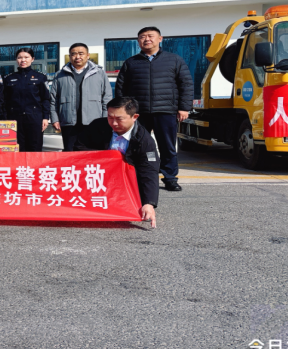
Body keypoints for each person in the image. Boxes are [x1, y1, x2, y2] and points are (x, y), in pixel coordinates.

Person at [115, 26, 193, 192]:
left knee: (167, 146)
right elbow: (121, 88)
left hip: (165, 111)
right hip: (138, 112)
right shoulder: (131, 62)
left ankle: (170, 178)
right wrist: (123, 110)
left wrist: (184, 107)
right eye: (142, 37)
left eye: (150, 36)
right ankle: (136, 176)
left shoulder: (174, 60)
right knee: (137, 145)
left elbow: (186, 84)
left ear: (160, 39)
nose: (147, 39)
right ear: (138, 41)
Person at [74, 97, 158, 228]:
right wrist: (106, 159)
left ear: (134, 117)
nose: (114, 123)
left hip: (126, 182)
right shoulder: (98, 126)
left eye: (119, 119)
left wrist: (149, 203)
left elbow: (149, 171)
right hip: (97, 176)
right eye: (110, 117)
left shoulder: (144, 140)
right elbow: (79, 148)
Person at [50, 43, 112, 152]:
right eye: (73, 54)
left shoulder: (99, 73)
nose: (77, 57)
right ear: (70, 56)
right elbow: (53, 99)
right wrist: (55, 119)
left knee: (92, 153)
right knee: (70, 153)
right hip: (68, 122)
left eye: (81, 53)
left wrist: (105, 119)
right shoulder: (60, 75)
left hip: (94, 122)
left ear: (88, 55)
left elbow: (107, 98)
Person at [2, 48, 50, 152]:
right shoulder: (9, 78)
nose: (23, 60)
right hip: (14, 118)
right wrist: (5, 118)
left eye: (26, 57)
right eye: (20, 57)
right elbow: (4, 100)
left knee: (35, 147)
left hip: (34, 117)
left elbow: (45, 98)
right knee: (17, 148)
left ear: (32, 59)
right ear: (16, 60)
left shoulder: (40, 77)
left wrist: (46, 117)